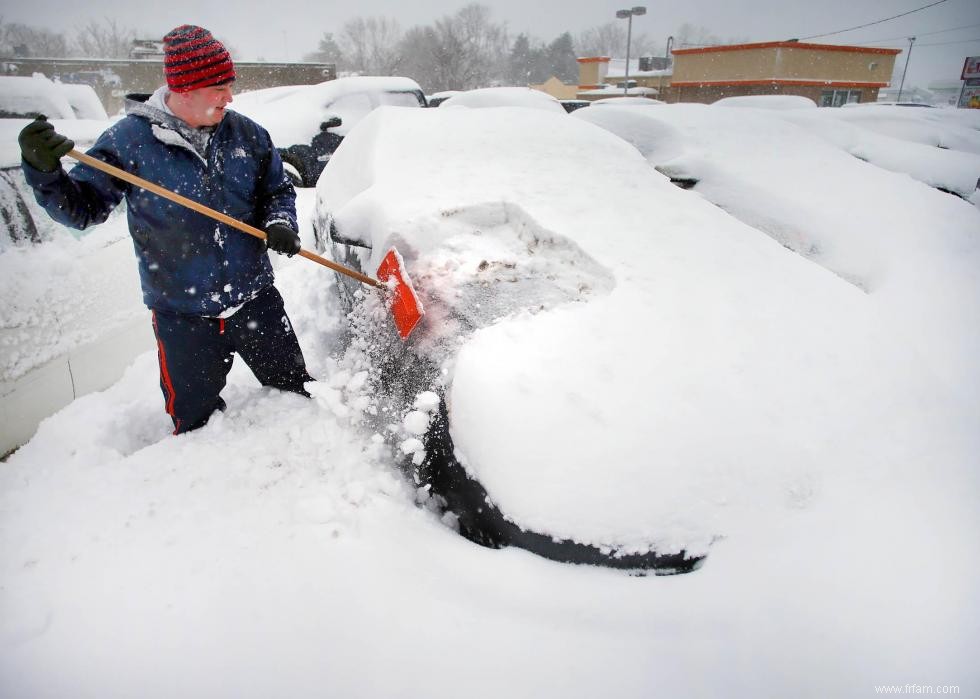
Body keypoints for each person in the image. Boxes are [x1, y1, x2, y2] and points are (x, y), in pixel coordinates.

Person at [18, 24, 313, 435]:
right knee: (194, 425)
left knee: (298, 395)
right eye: (219, 88)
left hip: (255, 299)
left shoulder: (247, 133)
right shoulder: (129, 142)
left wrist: (279, 222)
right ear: (185, 89)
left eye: (230, 85)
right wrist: (44, 172)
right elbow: (82, 210)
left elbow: (277, 191)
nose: (230, 97)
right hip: (182, 314)